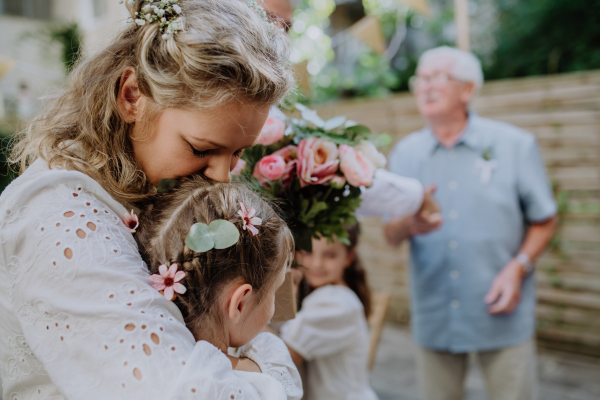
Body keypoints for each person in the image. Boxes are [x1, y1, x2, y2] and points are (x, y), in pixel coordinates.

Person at [0, 0, 294, 398]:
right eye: (200, 148)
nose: (223, 176)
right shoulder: (62, 219)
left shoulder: (134, 190)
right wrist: (268, 364)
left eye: (238, 153)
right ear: (132, 95)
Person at [385, 46, 558, 400]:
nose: (426, 87)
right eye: (421, 78)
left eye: (438, 78)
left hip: (501, 313)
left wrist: (518, 267)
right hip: (435, 313)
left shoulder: (515, 145)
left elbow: (545, 219)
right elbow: (390, 234)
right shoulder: (405, 153)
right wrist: (409, 224)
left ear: (468, 89)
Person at [134, 176, 302, 399]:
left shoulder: (141, 359)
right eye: (274, 290)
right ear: (239, 304)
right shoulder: (263, 384)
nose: (273, 306)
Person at [279, 224, 378, 400]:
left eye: (330, 255)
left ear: (349, 257)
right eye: (308, 252)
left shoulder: (336, 302)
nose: (317, 264)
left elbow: (284, 354)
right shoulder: (328, 294)